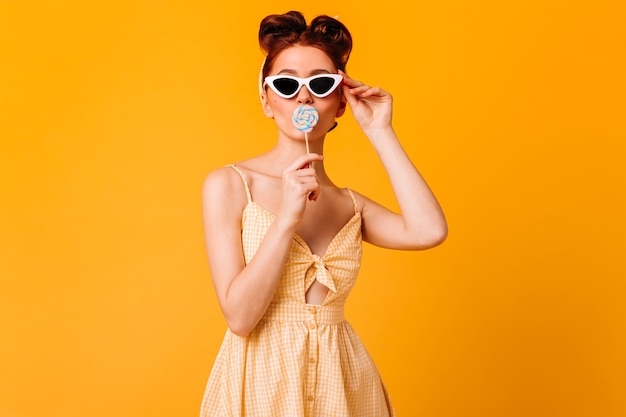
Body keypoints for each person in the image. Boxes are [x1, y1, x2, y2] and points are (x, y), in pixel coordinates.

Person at [199, 10, 447, 417]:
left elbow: (429, 231)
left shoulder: (350, 205)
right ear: (266, 99)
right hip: (262, 384)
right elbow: (240, 318)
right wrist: (286, 221)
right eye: (285, 83)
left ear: (341, 101)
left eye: (320, 82)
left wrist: (380, 130)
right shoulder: (229, 185)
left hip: (344, 385)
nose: (303, 95)